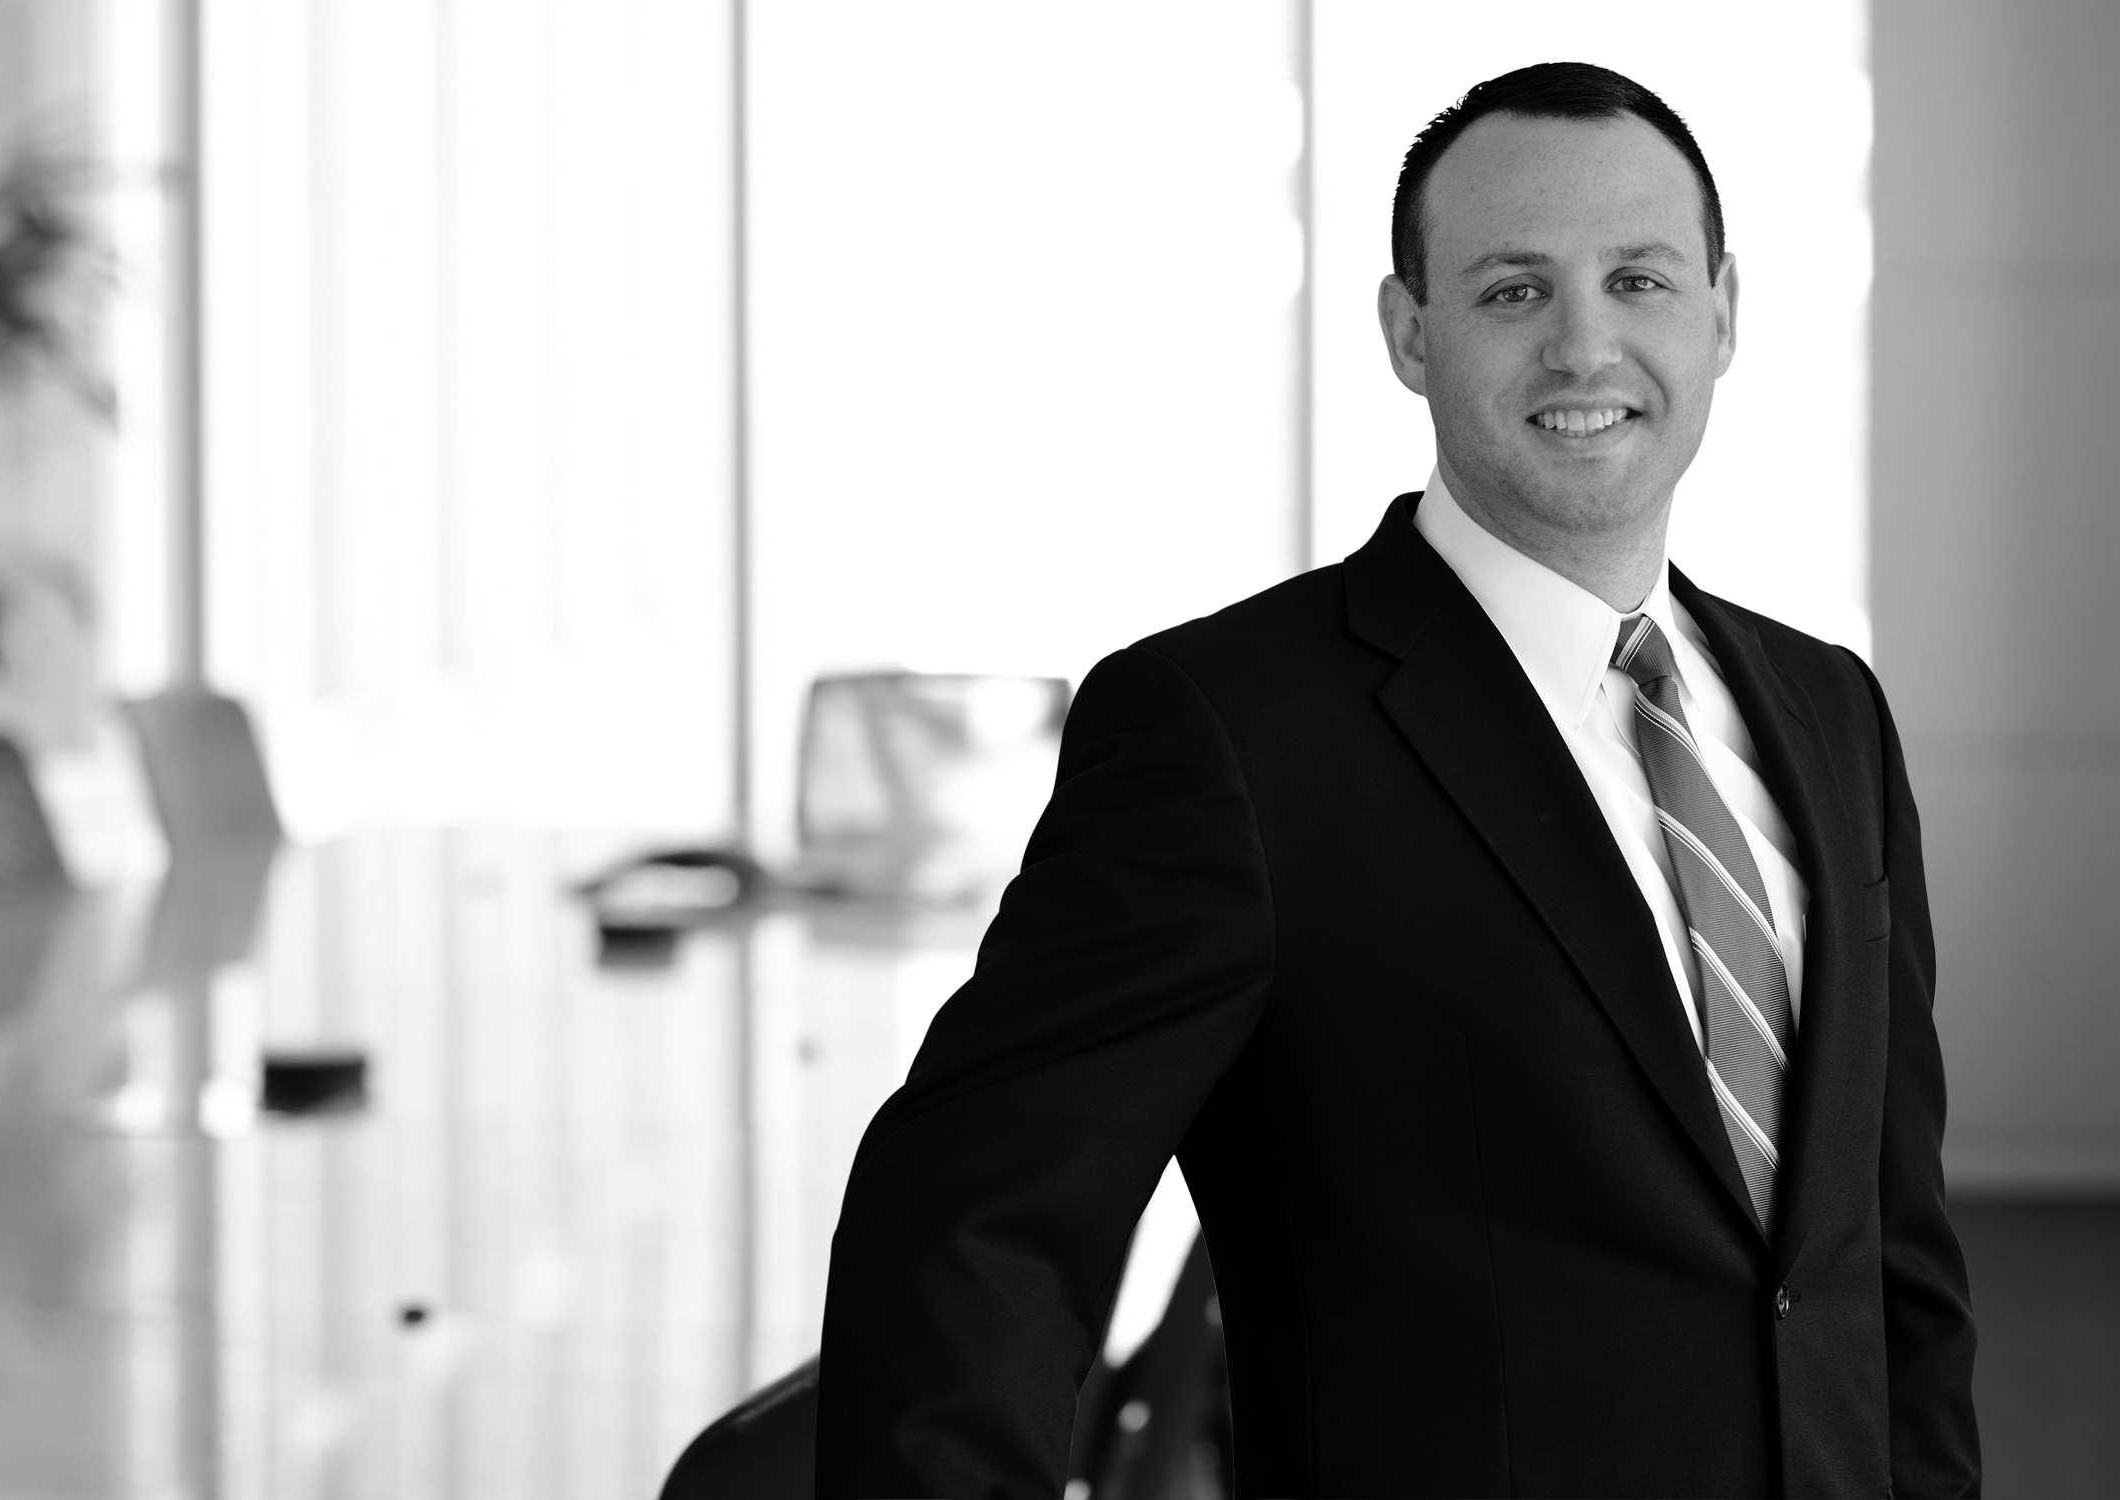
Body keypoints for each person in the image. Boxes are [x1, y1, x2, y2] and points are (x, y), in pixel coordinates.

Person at [817, 61, 1980, 1499]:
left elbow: (1890, 1248)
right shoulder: (1230, 734)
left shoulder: (1829, 712)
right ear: (1409, 332)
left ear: (1723, 313)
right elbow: (976, 1224)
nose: (1584, 346)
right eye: (1513, 291)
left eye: (1638, 281)